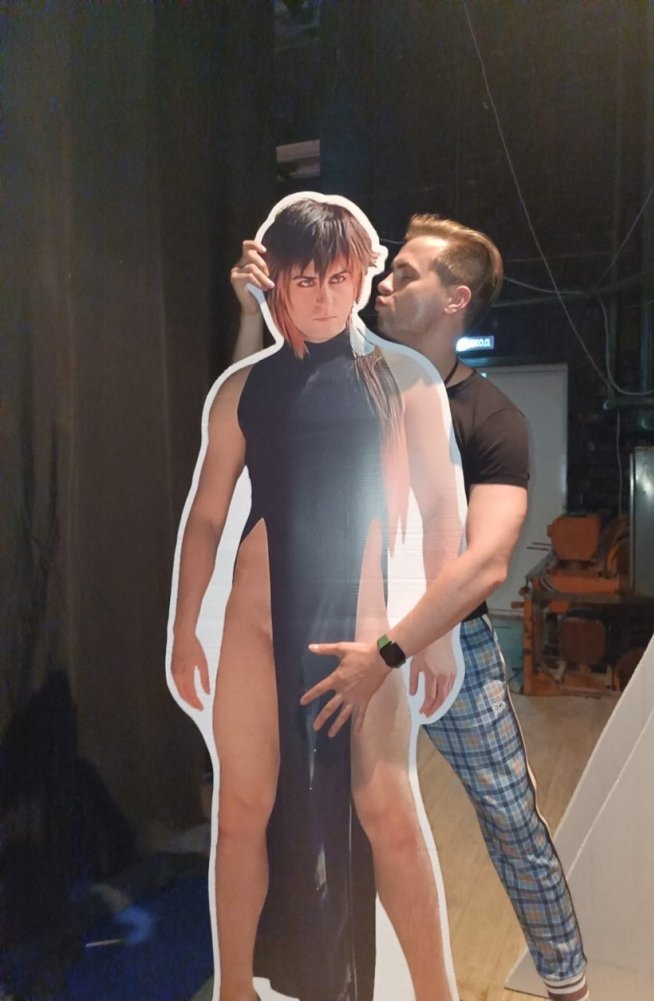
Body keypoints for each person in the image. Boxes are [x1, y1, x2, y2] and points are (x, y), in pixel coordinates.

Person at [235, 212, 590, 1001]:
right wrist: (256, 309)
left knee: (507, 814)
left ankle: (566, 976)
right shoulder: (337, 374)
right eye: (386, 270)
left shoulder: (491, 418)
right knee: (340, 812)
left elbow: (485, 561)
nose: (384, 284)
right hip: (335, 635)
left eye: (407, 274)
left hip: (438, 645)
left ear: (455, 299)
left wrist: (396, 648)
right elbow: (245, 427)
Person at [169, 195, 464, 1001]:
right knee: (242, 810)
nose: (326, 296)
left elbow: (443, 508)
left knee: (387, 807)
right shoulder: (244, 390)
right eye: (306, 280)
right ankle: (235, 988)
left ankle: (437, 993)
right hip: (256, 625)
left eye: (339, 278)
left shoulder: (404, 379)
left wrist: (436, 632)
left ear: (361, 275)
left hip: (359, 630)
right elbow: (206, 515)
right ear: (279, 284)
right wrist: (185, 628)